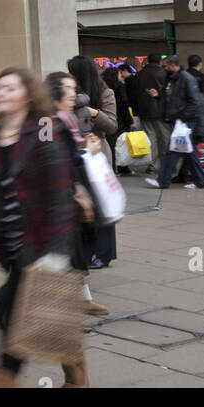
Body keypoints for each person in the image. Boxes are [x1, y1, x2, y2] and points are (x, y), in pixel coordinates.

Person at [0, 68, 84, 388]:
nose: (0, 93)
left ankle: (3, 380)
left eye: (10, 88)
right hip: (10, 243)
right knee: (38, 319)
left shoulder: (44, 130)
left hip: (42, 240)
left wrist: (56, 252)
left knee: (15, 322)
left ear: (27, 94)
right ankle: (76, 376)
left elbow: (60, 195)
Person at [46, 72, 108, 315]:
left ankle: (81, 298)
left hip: (71, 193)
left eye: (74, 88)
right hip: (56, 200)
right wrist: (86, 152)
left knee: (77, 248)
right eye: (68, 89)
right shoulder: (47, 122)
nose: (74, 94)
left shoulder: (65, 119)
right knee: (64, 252)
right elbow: (53, 160)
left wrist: (83, 147)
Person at [68, 56, 118, 270]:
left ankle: (105, 253)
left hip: (97, 153)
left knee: (101, 204)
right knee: (82, 207)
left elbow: (112, 126)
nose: (70, 76)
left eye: (72, 72)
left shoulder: (105, 92)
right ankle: (85, 253)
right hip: (76, 155)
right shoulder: (69, 94)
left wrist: (93, 112)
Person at [145, 56, 204, 191]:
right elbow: (170, 98)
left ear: (172, 65)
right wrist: (158, 96)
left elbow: (194, 102)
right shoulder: (174, 79)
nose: (163, 69)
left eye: (165, 66)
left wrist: (182, 117)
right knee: (188, 152)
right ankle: (201, 181)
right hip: (181, 120)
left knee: (174, 150)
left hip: (184, 121)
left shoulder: (185, 78)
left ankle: (163, 181)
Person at [134, 54, 169, 169]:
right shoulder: (163, 74)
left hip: (144, 110)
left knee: (150, 136)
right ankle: (166, 163)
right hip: (160, 110)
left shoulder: (140, 74)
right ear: (159, 61)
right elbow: (167, 93)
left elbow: (134, 93)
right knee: (164, 137)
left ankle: (152, 164)